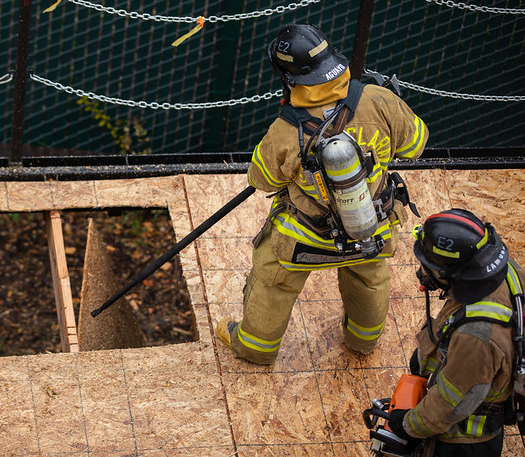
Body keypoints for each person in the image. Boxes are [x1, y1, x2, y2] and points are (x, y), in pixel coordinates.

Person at [216, 23, 428, 364]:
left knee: (272, 277)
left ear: (288, 78)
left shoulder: (285, 130)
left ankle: (256, 347)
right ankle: (363, 342)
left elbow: (261, 180)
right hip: (370, 227)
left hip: (307, 237)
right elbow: (416, 144)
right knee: (369, 278)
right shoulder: (379, 100)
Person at [386, 208, 521, 456]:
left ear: (451, 273)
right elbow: (459, 313)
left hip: (463, 441)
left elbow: (451, 404)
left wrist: (406, 425)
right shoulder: (500, 270)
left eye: (428, 267)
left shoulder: (477, 337)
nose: (423, 273)